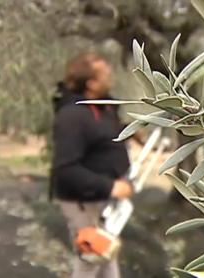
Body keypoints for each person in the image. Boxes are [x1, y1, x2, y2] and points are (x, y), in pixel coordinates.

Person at [51, 52, 133, 278]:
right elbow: (65, 169)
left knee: (106, 256)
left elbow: (102, 136)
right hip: (82, 203)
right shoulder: (72, 116)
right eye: (105, 74)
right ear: (91, 83)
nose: (111, 77)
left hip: (102, 201)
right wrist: (110, 187)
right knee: (91, 259)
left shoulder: (103, 108)